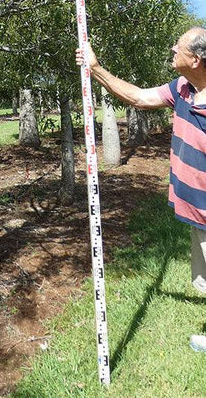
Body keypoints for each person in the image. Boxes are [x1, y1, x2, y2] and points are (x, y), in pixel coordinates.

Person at [76, 27, 206, 352]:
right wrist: (95, 69)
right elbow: (137, 97)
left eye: (179, 47)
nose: (172, 48)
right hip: (197, 210)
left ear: (198, 59)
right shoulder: (182, 89)